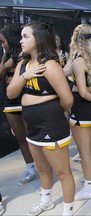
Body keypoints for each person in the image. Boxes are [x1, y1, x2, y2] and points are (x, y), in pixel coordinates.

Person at [7, 22, 75, 216]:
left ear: (38, 39)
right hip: (32, 126)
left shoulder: (50, 65)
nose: (21, 41)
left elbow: (67, 100)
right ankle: (46, 202)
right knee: (42, 169)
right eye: (21, 36)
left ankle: (68, 211)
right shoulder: (23, 64)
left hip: (50, 124)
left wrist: (50, 111)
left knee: (62, 172)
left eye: (25, 36)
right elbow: (11, 93)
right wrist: (25, 76)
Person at [68, 24, 91, 201]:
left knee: (84, 151)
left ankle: (88, 187)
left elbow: (83, 92)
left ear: (76, 39)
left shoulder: (78, 60)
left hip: (82, 108)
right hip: (90, 110)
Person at [0, 25, 39, 186]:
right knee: (21, 138)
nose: (2, 45)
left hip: (25, 98)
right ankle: (31, 169)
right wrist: (6, 64)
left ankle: (43, 166)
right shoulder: (6, 56)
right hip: (10, 102)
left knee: (32, 137)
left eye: (3, 41)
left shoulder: (26, 55)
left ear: (11, 39)